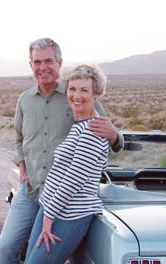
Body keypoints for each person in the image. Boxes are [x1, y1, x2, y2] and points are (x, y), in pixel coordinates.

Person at [0, 38, 123, 264]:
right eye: (37, 62)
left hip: (66, 199)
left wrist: (115, 135)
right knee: (6, 249)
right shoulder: (24, 100)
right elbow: (18, 139)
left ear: (59, 62)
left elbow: (103, 133)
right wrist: (22, 165)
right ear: (30, 65)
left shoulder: (76, 93)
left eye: (48, 61)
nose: (42, 67)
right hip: (32, 190)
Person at [24, 64, 110, 263]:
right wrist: (47, 210)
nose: (76, 95)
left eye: (84, 90)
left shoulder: (93, 130)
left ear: (96, 93)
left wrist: (49, 215)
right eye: (72, 89)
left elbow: (74, 179)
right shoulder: (79, 124)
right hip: (51, 208)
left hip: (69, 215)